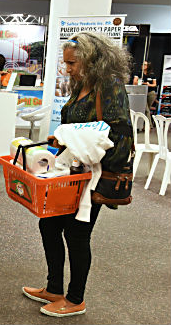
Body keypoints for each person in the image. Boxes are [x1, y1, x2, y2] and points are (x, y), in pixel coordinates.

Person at [23, 31, 133, 317]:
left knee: (77, 234)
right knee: (48, 226)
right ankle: (54, 288)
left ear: (93, 60)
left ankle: (75, 300)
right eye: (67, 63)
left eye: (73, 63)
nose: (68, 69)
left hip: (93, 175)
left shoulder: (110, 85)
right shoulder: (81, 83)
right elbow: (80, 127)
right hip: (70, 173)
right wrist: (62, 139)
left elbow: (119, 133)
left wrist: (103, 183)